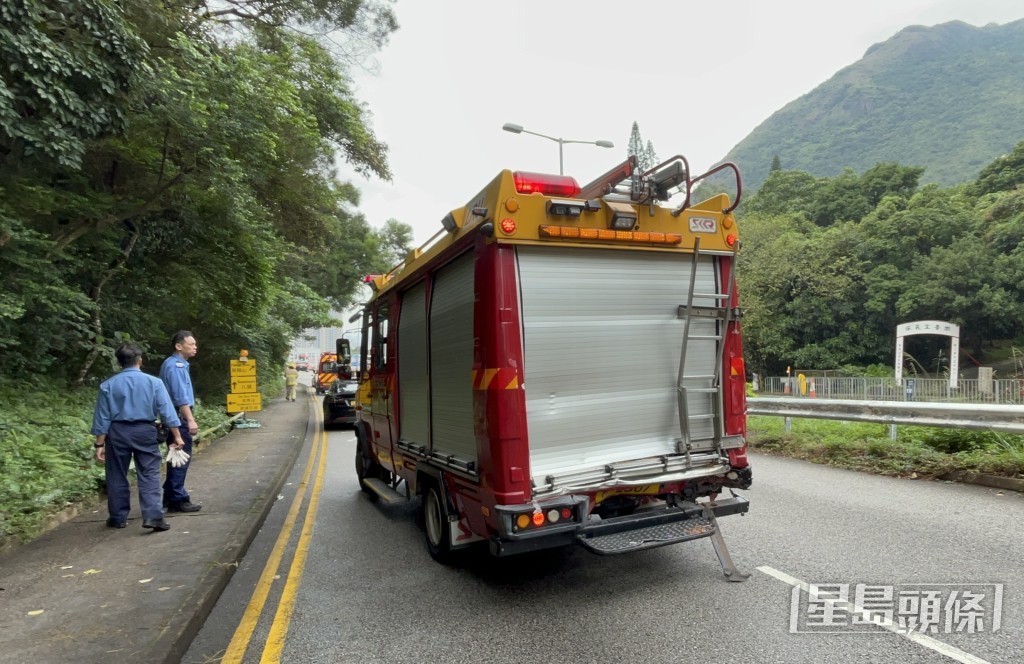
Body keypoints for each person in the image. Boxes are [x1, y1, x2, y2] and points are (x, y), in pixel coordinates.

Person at [91, 343, 185, 531]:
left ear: (119, 363)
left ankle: (118, 518)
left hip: (117, 432)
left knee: (116, 474)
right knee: (149, 473)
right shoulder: (154, 382)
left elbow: (102, 417)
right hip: (145, 431)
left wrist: (99, 445)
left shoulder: (108, 385)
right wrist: (177, 436)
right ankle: (153, 517)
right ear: (140, 361)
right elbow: (167, 412)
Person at [160, 330, 202, 513]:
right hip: (179, 416)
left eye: (195, 344)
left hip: (175, 416)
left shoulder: (178, 365)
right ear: (179, 346)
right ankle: (178, 499)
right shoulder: (175, 366)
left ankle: (170, 496)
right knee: (180, 457)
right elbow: (180, 397)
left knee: (176, 457)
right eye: (191, 344)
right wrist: (190, 420)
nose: (195, 347)